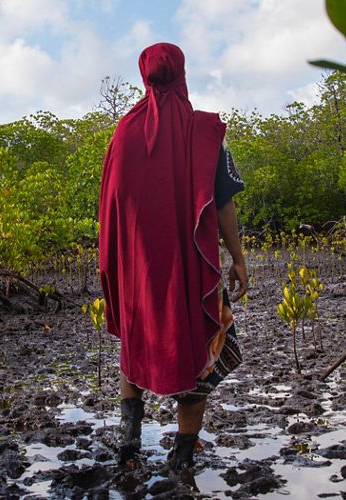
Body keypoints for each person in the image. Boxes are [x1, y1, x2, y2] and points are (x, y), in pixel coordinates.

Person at [97, 42, 249, 472]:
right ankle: (183, 457)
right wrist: (237, 258)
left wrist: (119, 269)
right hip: (191, 270)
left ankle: (128, 445)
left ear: (144, 75)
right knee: (197, 349)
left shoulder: (123, 133)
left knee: (137, 341)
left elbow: (111, 210)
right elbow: (223, 202)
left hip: (137, 274)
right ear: (182, 73)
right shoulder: (206, 132)